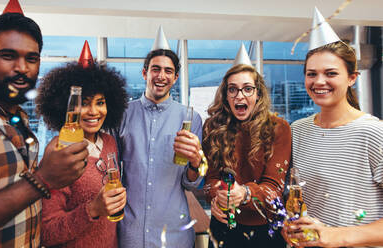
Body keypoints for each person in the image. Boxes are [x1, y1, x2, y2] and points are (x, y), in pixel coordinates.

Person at [0, 11, 88, 247]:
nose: (22, 68)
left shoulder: (17, 118)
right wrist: (42, 179)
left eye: (31, 58)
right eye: (8, 56)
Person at [283, 40, 383, 247]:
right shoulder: (297, 130)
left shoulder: (373, 133)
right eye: (311, 74)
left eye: (331, 73)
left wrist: (335, 235)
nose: (319, 81)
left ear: (352, 78)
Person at [35, 47, 128, 247]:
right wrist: (92, 209)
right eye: (84, 103)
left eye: (100, 102)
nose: (94, 112)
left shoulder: (109, 142)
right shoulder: (59, 152)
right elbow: (47, 233)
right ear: (67, 107)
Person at [117, 48, 204, 248]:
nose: (161, 76)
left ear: (175, 78)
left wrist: (195, 162)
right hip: (130, 233)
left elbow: (191, 183)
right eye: (156, 69)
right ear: (144, 73)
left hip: (174, 236)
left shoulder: (190, 119)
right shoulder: (123, 114)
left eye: (168, 71)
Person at [203, 63, 291, 247]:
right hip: (223, 227)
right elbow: (210, 180)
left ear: (258, 94)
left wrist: (245, 193)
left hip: (266, 230)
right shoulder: (212, 128)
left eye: (247, 89)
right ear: (226, 96)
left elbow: (274, 188)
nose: (239, 95)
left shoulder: (279, 128)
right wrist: (215, 197)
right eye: (232, 89)